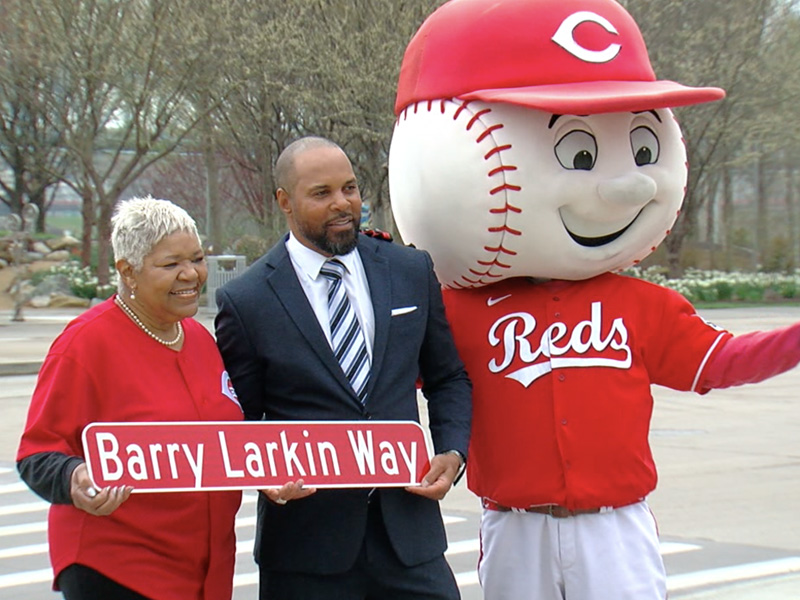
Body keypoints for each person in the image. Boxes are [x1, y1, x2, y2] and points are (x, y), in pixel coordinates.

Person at [215, 136, 472, 600]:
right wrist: (262, 475)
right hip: (306, 552)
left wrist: (452, 453)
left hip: (409, 540)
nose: (342, 204)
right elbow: (240, 421)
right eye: (322, 193)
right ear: (284, 202)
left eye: (349, 188)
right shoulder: (246, 301)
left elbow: (447, 377)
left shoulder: (410, 269)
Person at [16, 196, 243, 600]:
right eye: (171, 264)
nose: (191, 274)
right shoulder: (85, 343)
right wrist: (75, 479)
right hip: (119, 570)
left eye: (197, 258)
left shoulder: (200, 340)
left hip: (204, 569)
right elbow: (37, 454)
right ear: (128, 271)